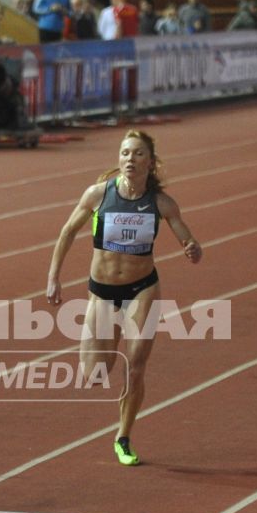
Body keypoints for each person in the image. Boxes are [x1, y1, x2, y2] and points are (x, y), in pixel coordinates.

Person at [45, 130, 204, 466]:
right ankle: (106, 345)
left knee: (136, 368)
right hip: (102, 292)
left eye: (138, 154)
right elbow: (67, 232)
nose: (130, 159)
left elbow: (188, 240)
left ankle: (124, 435)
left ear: (151, 162)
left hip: (141, 289)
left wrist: (193, 249)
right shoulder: (98, 195)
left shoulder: (161, 204)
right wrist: (53, 278)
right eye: (125, 153)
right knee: (94, 372)